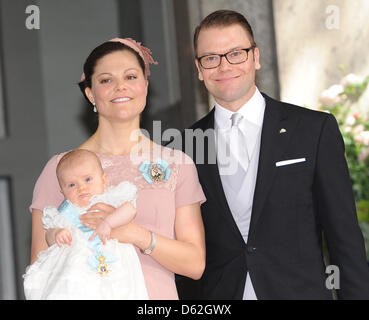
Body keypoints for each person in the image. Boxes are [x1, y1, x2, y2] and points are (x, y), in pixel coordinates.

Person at [178, 9, 369, 299]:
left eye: (236, 53)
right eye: (211, 58)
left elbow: (344, 237)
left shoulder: (313, 130)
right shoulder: (184, 147)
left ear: (256, 57)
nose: (224, 66)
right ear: (199, 69)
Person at [29, 37, 206, 300]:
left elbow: (195, 264)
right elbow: (40, 268)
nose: (120, 87)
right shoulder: (60, 168)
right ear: (90, 92)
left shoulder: (177, 164)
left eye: (131, 76)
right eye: (106, 80)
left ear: (145, 86)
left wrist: (136, 234)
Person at [24, 149, 148, 299]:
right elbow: (48, 236)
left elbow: (130, 210)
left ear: (103, 180)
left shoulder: (110, 198)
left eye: (88, 179)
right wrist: (56, 234)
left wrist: (109, 222)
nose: (81, 188)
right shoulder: (64, 212)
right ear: (62, 191)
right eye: (71, 185)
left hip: (115, 264)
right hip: (77, 270)